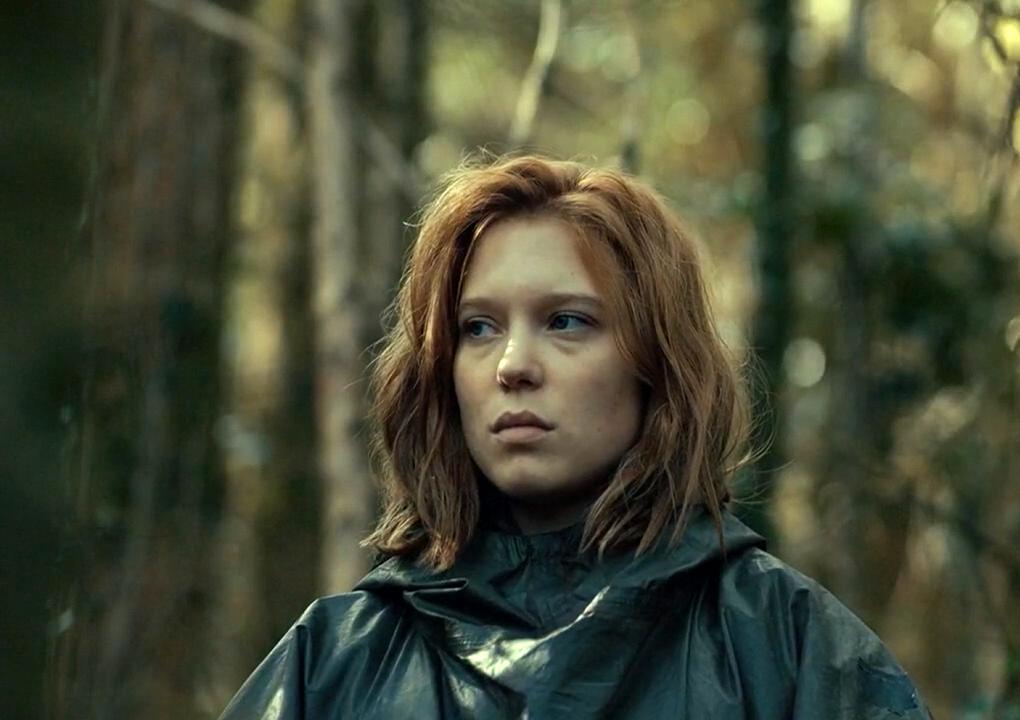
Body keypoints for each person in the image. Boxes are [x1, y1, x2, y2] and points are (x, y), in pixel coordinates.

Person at [219, 156, 930, 719]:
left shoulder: (787, 649)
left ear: (656, 363)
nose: (512, 365)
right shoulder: (332, 665)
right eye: (479, 328)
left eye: (566, 321)